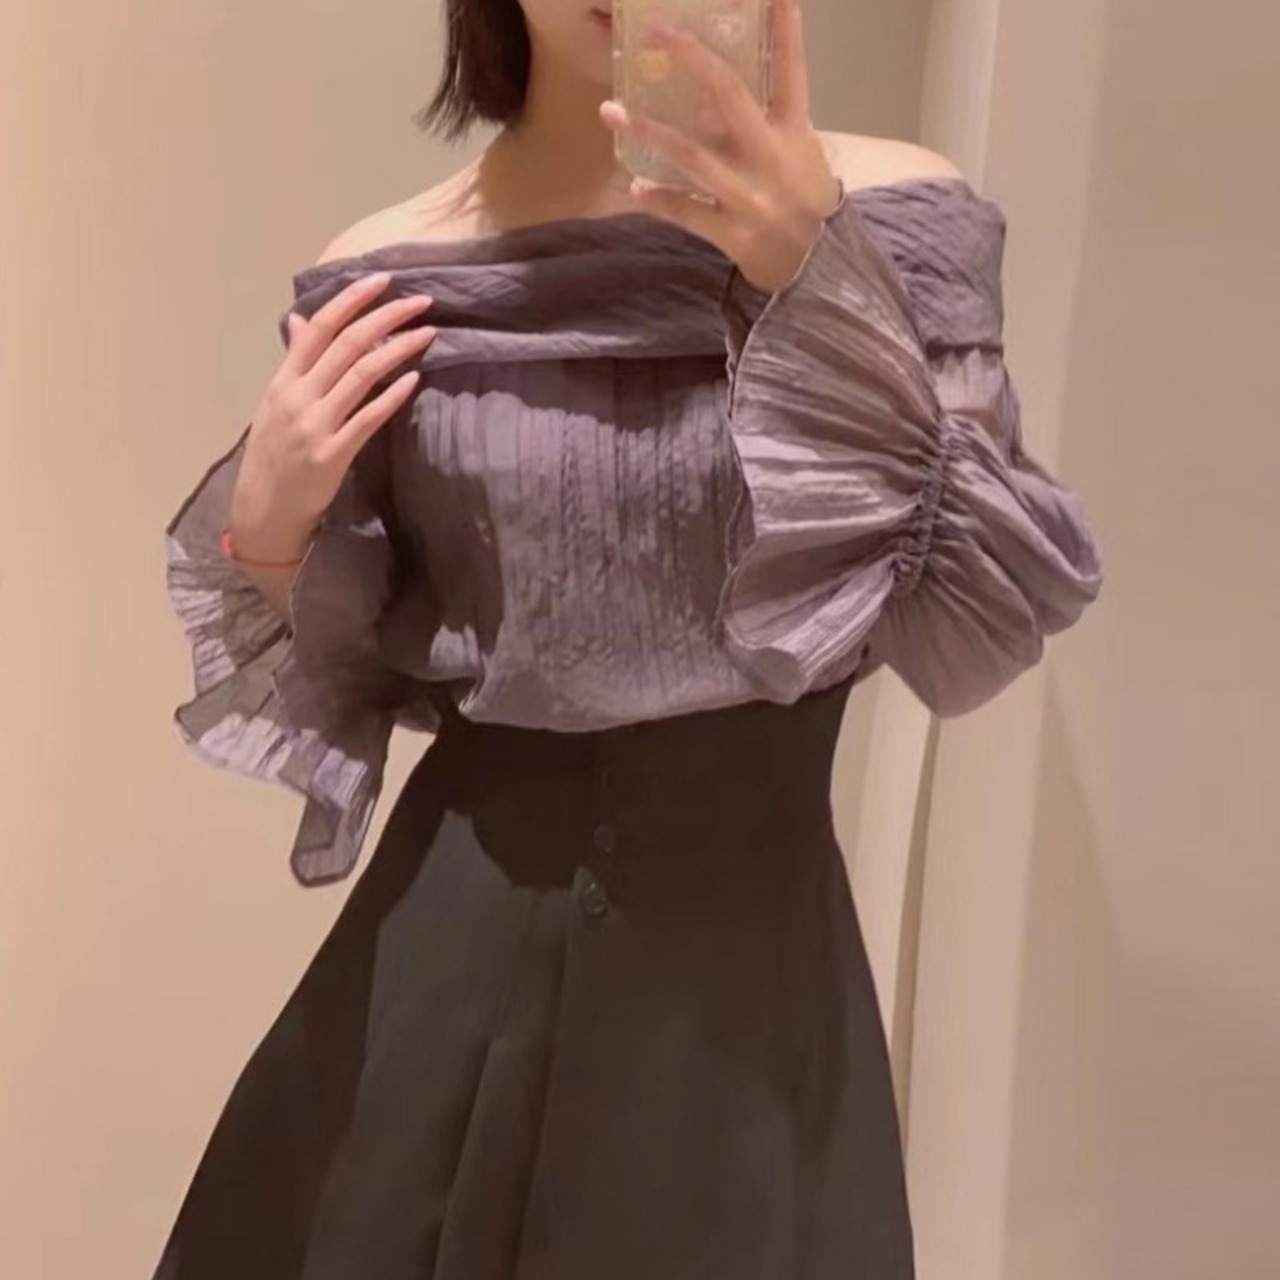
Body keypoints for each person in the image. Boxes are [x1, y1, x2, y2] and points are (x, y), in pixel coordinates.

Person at [154, 0, 1103, 1276]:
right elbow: (351, 678)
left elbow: (976, 620)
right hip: (440, 983)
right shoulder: (389, 270)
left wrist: (812, 270)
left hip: (749, 998)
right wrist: (270, 523)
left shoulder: (892, 218)